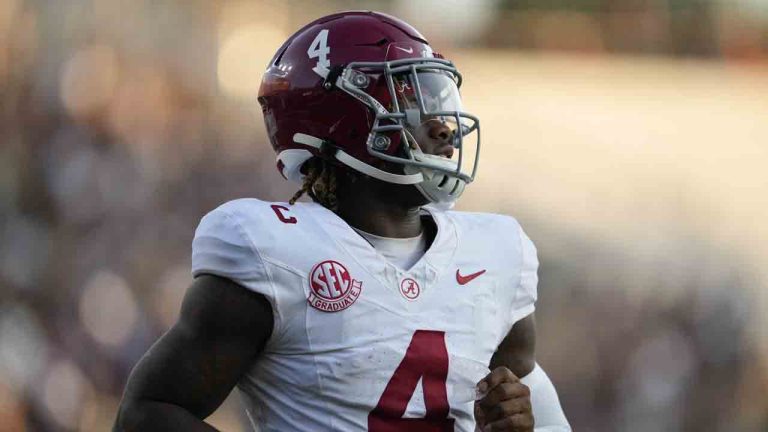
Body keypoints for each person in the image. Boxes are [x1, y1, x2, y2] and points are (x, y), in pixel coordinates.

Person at [114, 10, 570, 432]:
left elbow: (548, 422)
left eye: (437, 100)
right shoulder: (277, 252)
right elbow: (148, 413)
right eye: (411, 101)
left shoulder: (494, 253)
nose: (443, 127)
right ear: (339, 121)